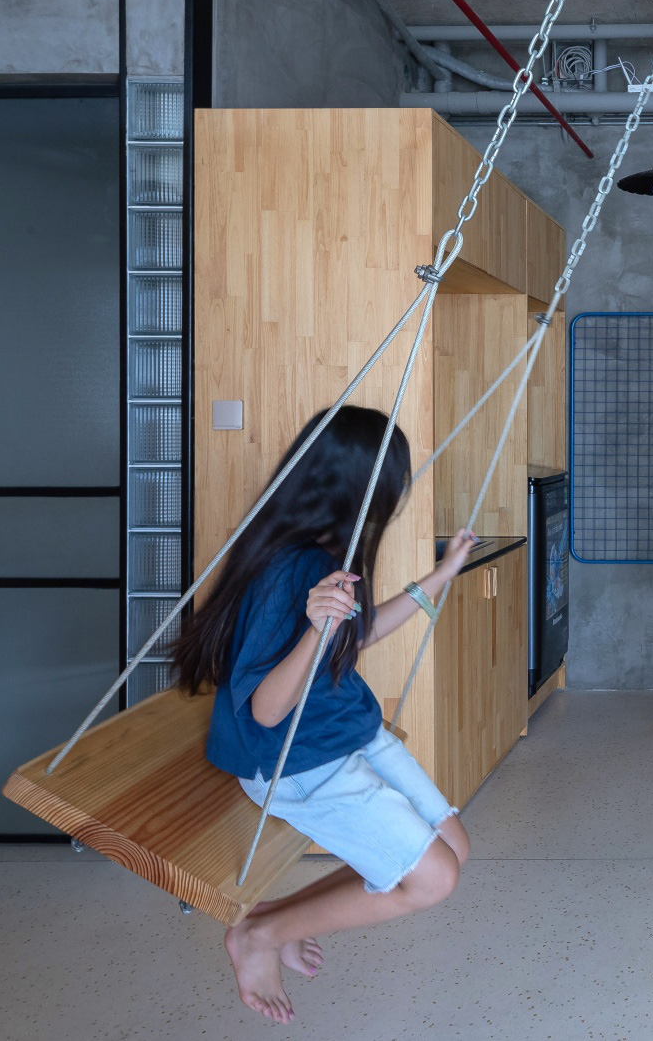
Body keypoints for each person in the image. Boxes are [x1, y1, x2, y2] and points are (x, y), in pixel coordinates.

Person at [173, 405, 477, 1024]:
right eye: (396, 479)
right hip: (298, 762)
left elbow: (355, 637)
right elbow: (267, 711)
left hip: (347, 734)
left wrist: (439, 577)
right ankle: (257, 936)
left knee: (453, 846)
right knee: (433, 878)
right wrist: (315, 629)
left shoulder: (325, 552)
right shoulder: (290, 566)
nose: (401, 491)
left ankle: (280, 920)